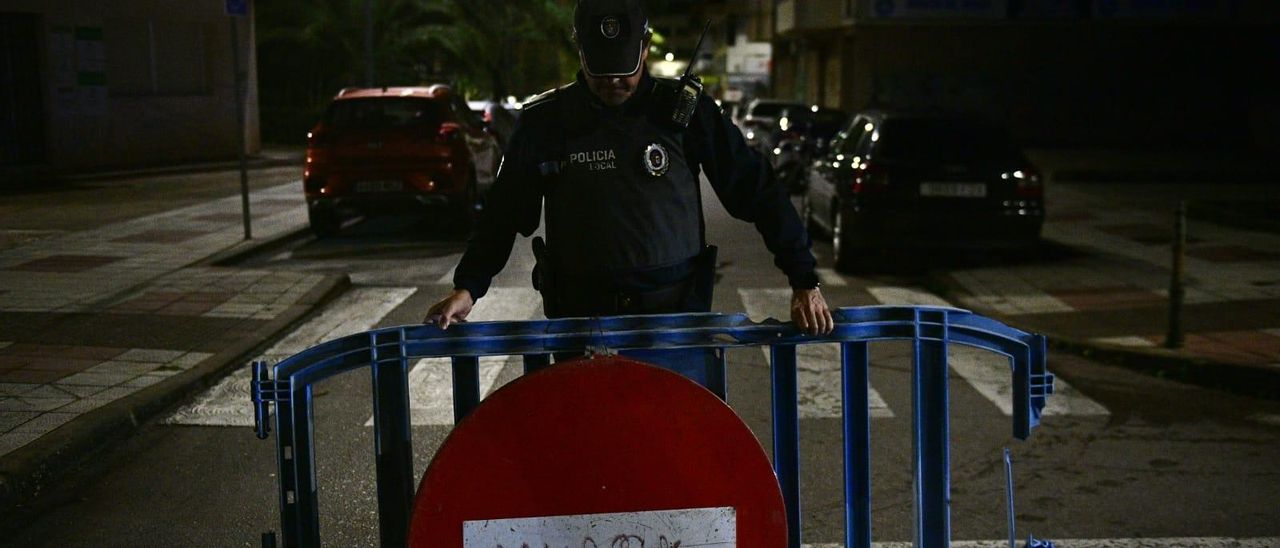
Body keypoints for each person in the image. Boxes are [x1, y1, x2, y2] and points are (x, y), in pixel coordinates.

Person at [425, 0, 832, 384]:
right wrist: (468, 288)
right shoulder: (546, 122)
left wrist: (804, 280)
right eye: (600, 71)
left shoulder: (683, 112)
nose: (614, 82)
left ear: (643, 46)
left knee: (676, 450)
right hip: (581, 328)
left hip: (674, 328)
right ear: (579, 52)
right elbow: (503, 211)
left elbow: (758, 190)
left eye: (625, 69)